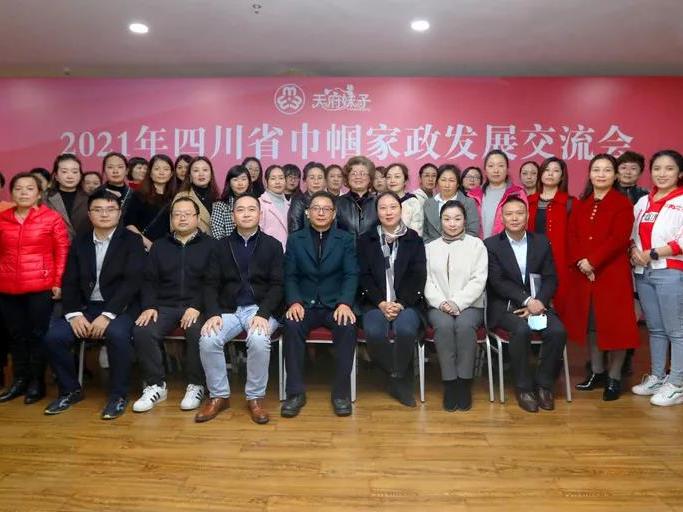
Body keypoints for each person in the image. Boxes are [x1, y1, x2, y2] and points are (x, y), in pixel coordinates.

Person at [43, 189, 145, 419]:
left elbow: (132, 282)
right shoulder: (80, 241)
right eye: (98, 210)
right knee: (54, 337)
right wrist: (74, 314)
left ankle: (118, 395)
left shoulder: (132, 241)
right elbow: (69, 281)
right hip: (86, 308)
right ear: (89, 214)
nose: (104, 214)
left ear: (119, 213)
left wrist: (108, 315)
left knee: (118, 335)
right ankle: (70, 390)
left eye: (110, 209)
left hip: (121, 308)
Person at [197, 195, 284, 424]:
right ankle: (219, 396)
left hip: (261, 308)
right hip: (229, 309)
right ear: (233, 215)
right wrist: (212, 313)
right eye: (240, 210)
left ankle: (255, 398)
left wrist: (263, 314)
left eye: (251, 209)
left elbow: (278, 285)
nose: (246, 214)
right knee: (208, 338)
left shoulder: (273, 245)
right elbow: (210, 284)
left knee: (258, 339)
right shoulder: (220, 246)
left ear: (260, 214)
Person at [131, 197, 215, 413]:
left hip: (197, 306)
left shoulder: (211, 246)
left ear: (198, 218)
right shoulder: (159, 246)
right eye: (177, 214)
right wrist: (149, 306)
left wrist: (197, 306)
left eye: (187, 214)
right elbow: (148, 281)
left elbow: (213, 282)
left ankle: (196, 384)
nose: (182, 218)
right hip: (164, 306)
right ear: (171, 219)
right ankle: (156, 385)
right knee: (143, 330)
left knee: (198, 331)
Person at [567, 154, 640, 401]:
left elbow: (618, 238)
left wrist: (593, 261)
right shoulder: (582, 203)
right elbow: (572, 235)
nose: (601, 174)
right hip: (584, 275)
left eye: (607, 170)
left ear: (615, 175)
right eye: (596, 169)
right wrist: (581, 261)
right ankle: (596, 372)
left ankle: (614, 376)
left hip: (611, 274)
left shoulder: (622, 204)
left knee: (616, 327)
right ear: (589, 174)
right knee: (592, 326)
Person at [484, 196, 567, 413]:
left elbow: (550, 278)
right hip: (506, 307)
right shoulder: (491, 245)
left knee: (557, 331)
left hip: (538, 306)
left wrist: (538, 302)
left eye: (519, 213)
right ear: (502, 218)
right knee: (521, 330)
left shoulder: (541, 242)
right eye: (509, 214)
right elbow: (497, 281)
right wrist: (527, 301)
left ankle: (544, 385)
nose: (514, 218)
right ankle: (523, 388)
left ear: (527, 216)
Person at [281, 191, 359, 418]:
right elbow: (290, 275)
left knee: (347, 327)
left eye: (326, 209)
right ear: (307, 212)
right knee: (291, 324)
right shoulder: (295, 239)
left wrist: (345, 303)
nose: (321, 213)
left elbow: (351, 274)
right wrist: (294, 301)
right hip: (304, 304)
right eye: (316, 208)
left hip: (335, 304)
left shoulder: (345, 239)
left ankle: (341, 394)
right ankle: (295, 393)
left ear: (334, 214)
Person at [0, 173, 69, 404]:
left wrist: (58, 282)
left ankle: (37, 383)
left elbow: (62, 252)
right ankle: (19, 380)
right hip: (6, 286)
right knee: (16, 335)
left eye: (29, 188)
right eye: (18, 188)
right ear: (12, 193)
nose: (23, 193)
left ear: (39, 194)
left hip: (40, 286)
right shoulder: (3, 218)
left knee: (38, 334)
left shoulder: (51, 218)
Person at [358, 192, 425, 407]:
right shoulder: (366, 240)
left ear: (401, 210)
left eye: (393, 207)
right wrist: (380, 303)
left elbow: (418, 276)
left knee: (406, 330)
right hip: (375, 302)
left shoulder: (414, 239)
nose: (388, 212)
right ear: (377, 212)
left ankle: (395, 378)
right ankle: (397, 376)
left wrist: (401, 303)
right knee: (374, 332)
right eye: (383, 208)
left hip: (406, 303)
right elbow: (364, 276)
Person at [630, 150, 683, 406]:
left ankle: (677, 383)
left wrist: (652, 253)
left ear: (679, 173)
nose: (662, 174)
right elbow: (631, 234)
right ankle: (658, 376)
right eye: (657, 168)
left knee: (676, 330)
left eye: (669, 169)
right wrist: (634, 251)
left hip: (670, 271)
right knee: (656, 329)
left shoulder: (681, 200)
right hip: (644, 272)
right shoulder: (643, 202)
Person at [425, 200, 487, 411]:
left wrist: (457, 302)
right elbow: (427, 281)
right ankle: (450, 382)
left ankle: (464, 381)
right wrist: (442, 302)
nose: (452, 223)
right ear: (440, 221)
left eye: (457, 218)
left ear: (465, 220)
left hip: (471, 305)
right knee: (443, 326)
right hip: (438, 305)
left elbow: (479, 280)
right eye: (447, 219)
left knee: (464, 326)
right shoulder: (430, 248)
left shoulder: (477, 245)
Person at [527, 157, 574, 319]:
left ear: (562, 176)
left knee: (560, 308)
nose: (550, 174)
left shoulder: (570, 203)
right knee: (533, 304)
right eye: (546, 170)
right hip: (532, 260)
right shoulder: (528, 202)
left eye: (555, 171)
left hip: (560, 262)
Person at [469, 150, 527, 238]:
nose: (496, 170)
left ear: (507, 169)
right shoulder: (473, 195)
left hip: (505, 243)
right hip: (477, 244)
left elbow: (523, 223)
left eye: (501, 165)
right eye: (491, 166)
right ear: (485, 170)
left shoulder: (517, 193)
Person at [124, 154, 176, 251]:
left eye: (166, 169)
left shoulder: (176, 196)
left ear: (171, 174)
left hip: (169, 248)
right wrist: (148, 244)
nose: (161, 172)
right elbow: (129, 224)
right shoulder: (139, 195)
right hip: (143, 248)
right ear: (150, 173)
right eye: (157, 169)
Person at [423, 164, 479, 243]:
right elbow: (424, 232)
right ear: (437, 182)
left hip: (462, 248)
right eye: (443, 180)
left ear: (458, 184)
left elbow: (473, 232)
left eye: (451, 180)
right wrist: (435, 246)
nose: (447, 185)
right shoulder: (428, 203)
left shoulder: (469, 203)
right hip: (433, 248)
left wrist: (454, 247)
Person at [45, 153, 91, 240]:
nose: (70, 176)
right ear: (56, 176)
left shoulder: (90, 199)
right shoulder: (45, 198)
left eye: (75, 172)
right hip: (53, 245)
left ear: (80, 175)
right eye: (64, 172)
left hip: (84, 246)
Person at [174, 156, 220, 234]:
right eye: (196, 170)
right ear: (190, 176)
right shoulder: (181, 197)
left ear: (211, 174)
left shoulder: (217, 197)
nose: (201, 174)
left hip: (217, 241)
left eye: (205, 170)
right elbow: (175, 227)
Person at [336, 155, 378, 238]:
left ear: (370, 178)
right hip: (345, 246)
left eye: (362, 174)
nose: (358, 177)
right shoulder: (337, 202)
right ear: (347, 177)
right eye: (354, 173)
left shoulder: (379, 202)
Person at [211, 165, 252, 239]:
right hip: (227, 245)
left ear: (249, 182)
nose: (240, 183)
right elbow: (217, 233)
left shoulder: (255, 204)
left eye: (243, 179)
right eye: (235, 180)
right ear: (229, 183)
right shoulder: (220, 206)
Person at [287, 161, 327, 233]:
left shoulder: (332, 201)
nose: (316, 182)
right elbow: (295, 231)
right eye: (312, 178)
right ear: (305, 181)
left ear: (325, 181)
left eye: (320, 178)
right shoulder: (299, 202)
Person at [385, 163, 424, 236]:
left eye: (397, 176)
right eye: (388, 177)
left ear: (405, 181)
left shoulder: (413, 202)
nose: (392, 180)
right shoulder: (382, 201)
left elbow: (417, 232)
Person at [259, 164, 290, 249]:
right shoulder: (259, 203)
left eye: (281, 178)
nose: (277, 182)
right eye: (273, 178)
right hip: (268, 251)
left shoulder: (290, 204)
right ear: (266, 182)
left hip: (289, 252)